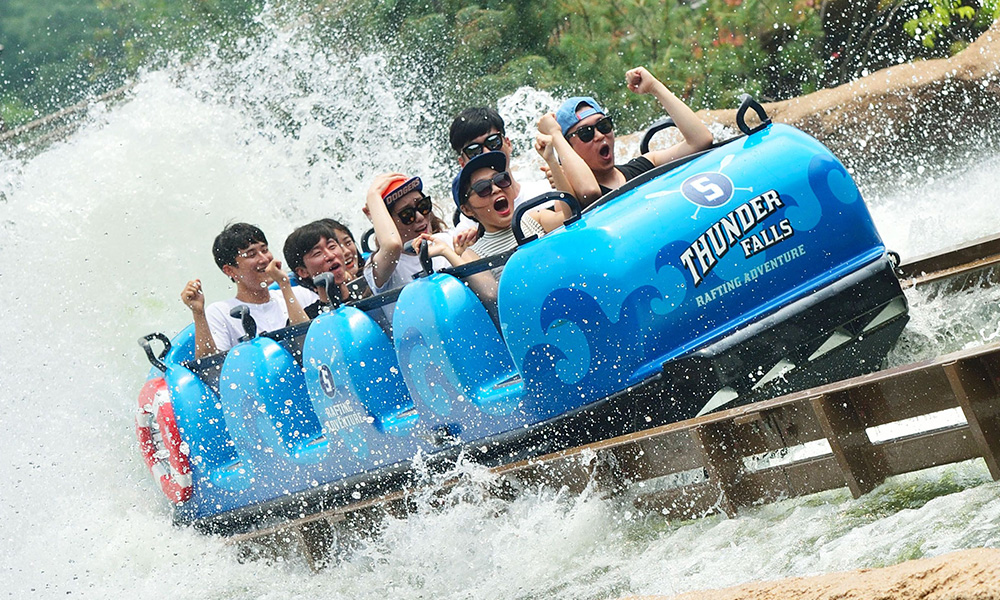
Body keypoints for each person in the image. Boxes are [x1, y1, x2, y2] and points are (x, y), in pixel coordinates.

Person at [537, 66, 714, 205]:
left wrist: (654, 87)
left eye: (603, 125)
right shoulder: (572, 199)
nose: (599, 135)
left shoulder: (642, 167)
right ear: (569, 147)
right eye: (585, 133)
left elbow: (700, 140)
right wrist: (555, 135)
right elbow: (589, 193)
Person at [417, 152, 568, 285]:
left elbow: (570, 220)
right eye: (483, 188)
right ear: (467, 209)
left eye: (501, 179)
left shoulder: (534, 218)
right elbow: (490, 293)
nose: (496, 189)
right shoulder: (473, 254)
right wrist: (445, 251)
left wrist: (552, 161)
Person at [180, 223, 313, 359]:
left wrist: (285, 286)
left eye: (265, 249)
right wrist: (198, 313)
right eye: (251, 254)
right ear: (229, 270)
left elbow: (311, 345)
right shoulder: (220, 312)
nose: (264, 259)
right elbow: (210, 368)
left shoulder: (301, 294)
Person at [362, 173, 476, 318]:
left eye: (422, 206)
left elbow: (486, 293)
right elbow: (392, 245)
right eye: (407, 214)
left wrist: (462, 252)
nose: (420, 217)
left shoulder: (446, 240)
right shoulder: (379, 266)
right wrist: (373, 196)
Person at [448, 107, 554, 225]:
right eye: (473, 150)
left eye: (493, 142)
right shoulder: (468, 226)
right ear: (462, 163)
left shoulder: (547, 192)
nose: (487, 152)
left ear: (508, 143)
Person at [283, 220, 366, 317]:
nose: (330, 255)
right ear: (302, 271)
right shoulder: (310, 319)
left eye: (332, 246)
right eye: (317, 253)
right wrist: (283, 284)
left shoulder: (368, 293)